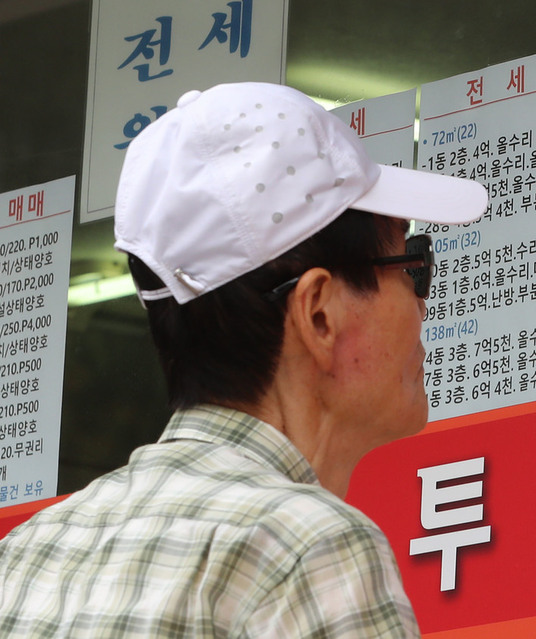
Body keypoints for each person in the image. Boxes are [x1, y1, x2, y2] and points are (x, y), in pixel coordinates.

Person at [0, 82, 487, 637]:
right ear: (318, 314)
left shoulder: (27, 555)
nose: (422, 301)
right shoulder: (307, 548)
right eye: (412, 263)